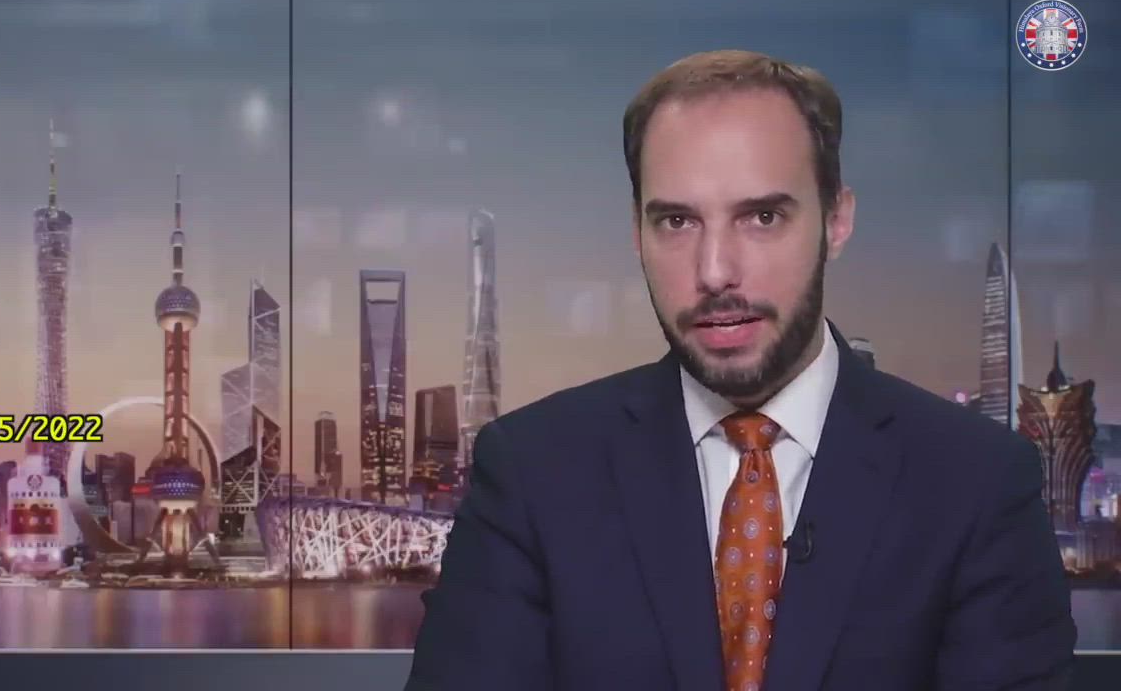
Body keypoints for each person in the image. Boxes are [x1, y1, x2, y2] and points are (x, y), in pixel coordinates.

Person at [404, 50, 1076, 690]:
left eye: (762, 216)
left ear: (837, 220)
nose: (715, 271)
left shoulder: (975, 483)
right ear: (637, 233)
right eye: (677, 222)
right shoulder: (533, 471)